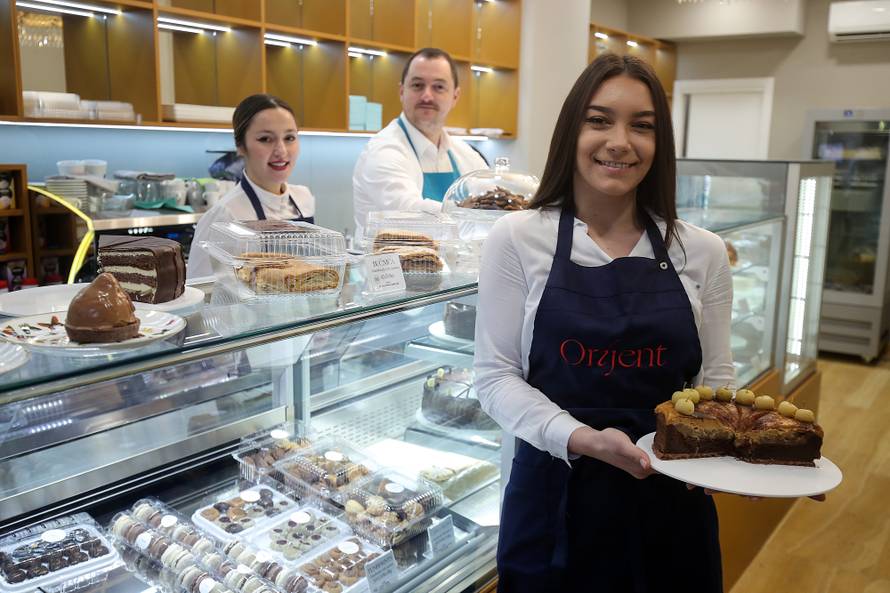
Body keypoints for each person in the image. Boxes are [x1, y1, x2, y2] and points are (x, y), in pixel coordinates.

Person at [474, 54, 735, 592]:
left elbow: (717, 383)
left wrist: (742, 459)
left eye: (642, 126)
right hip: (553, 501)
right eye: (599, 120)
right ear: (572, 130)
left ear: (659, 145)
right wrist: (583, 438)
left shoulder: (703, 252)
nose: (620, 140)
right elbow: (495, 378)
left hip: (672, 501)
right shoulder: (517, 239)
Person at [351, 47, 488, 239]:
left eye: (439, 87)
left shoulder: (465, 154)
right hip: (394, 267)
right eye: (417, 85)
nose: (427, 96)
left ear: (455, 96)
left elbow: (492, 204)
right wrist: (476, 214)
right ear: (401, 91)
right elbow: (410, 215)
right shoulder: (383, 150)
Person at [188, 94, 315, 280]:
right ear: (240, 146)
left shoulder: (303, 198)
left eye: (289, 138)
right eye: (265, 139)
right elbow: (199, 290)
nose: (281, 151)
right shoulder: (224, 215)